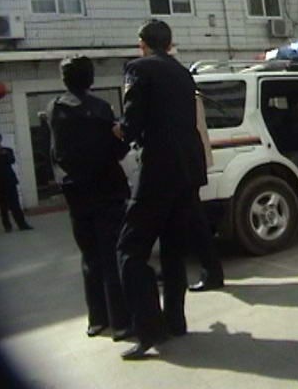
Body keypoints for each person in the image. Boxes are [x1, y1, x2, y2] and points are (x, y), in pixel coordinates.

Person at [113, 19, 208, 360]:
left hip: (158, 170)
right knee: (173, 250)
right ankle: (176, 321)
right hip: (188, 171)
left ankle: (148, 329)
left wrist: (119, 130)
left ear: (143, 44)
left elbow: (132, 123)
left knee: (129, 249)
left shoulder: (138, 69)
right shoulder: (182, 72)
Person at [46, 55, 132, 342]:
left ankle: (97, 320)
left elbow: (56, 152)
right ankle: (121, 323)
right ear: (90, 78)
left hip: (76, 191)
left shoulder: (54, 108)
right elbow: (117, 150)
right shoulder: (101, 108)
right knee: (112, 257)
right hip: (106, 189)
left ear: (64, 79)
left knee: (89, 256)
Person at [187, 91, 224, 292]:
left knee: (196, 220)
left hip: (184, 167)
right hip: (186, 165)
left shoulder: (188, 98)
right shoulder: (189, 95)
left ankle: (212, 272)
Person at [0, 133, 33, 232]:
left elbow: (12, 160)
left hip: (9, 181)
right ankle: (7, 226)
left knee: (15, 204)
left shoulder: (8, 150)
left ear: (1, 140)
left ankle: (22, 224)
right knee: (2, 206)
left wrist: (4, 154)